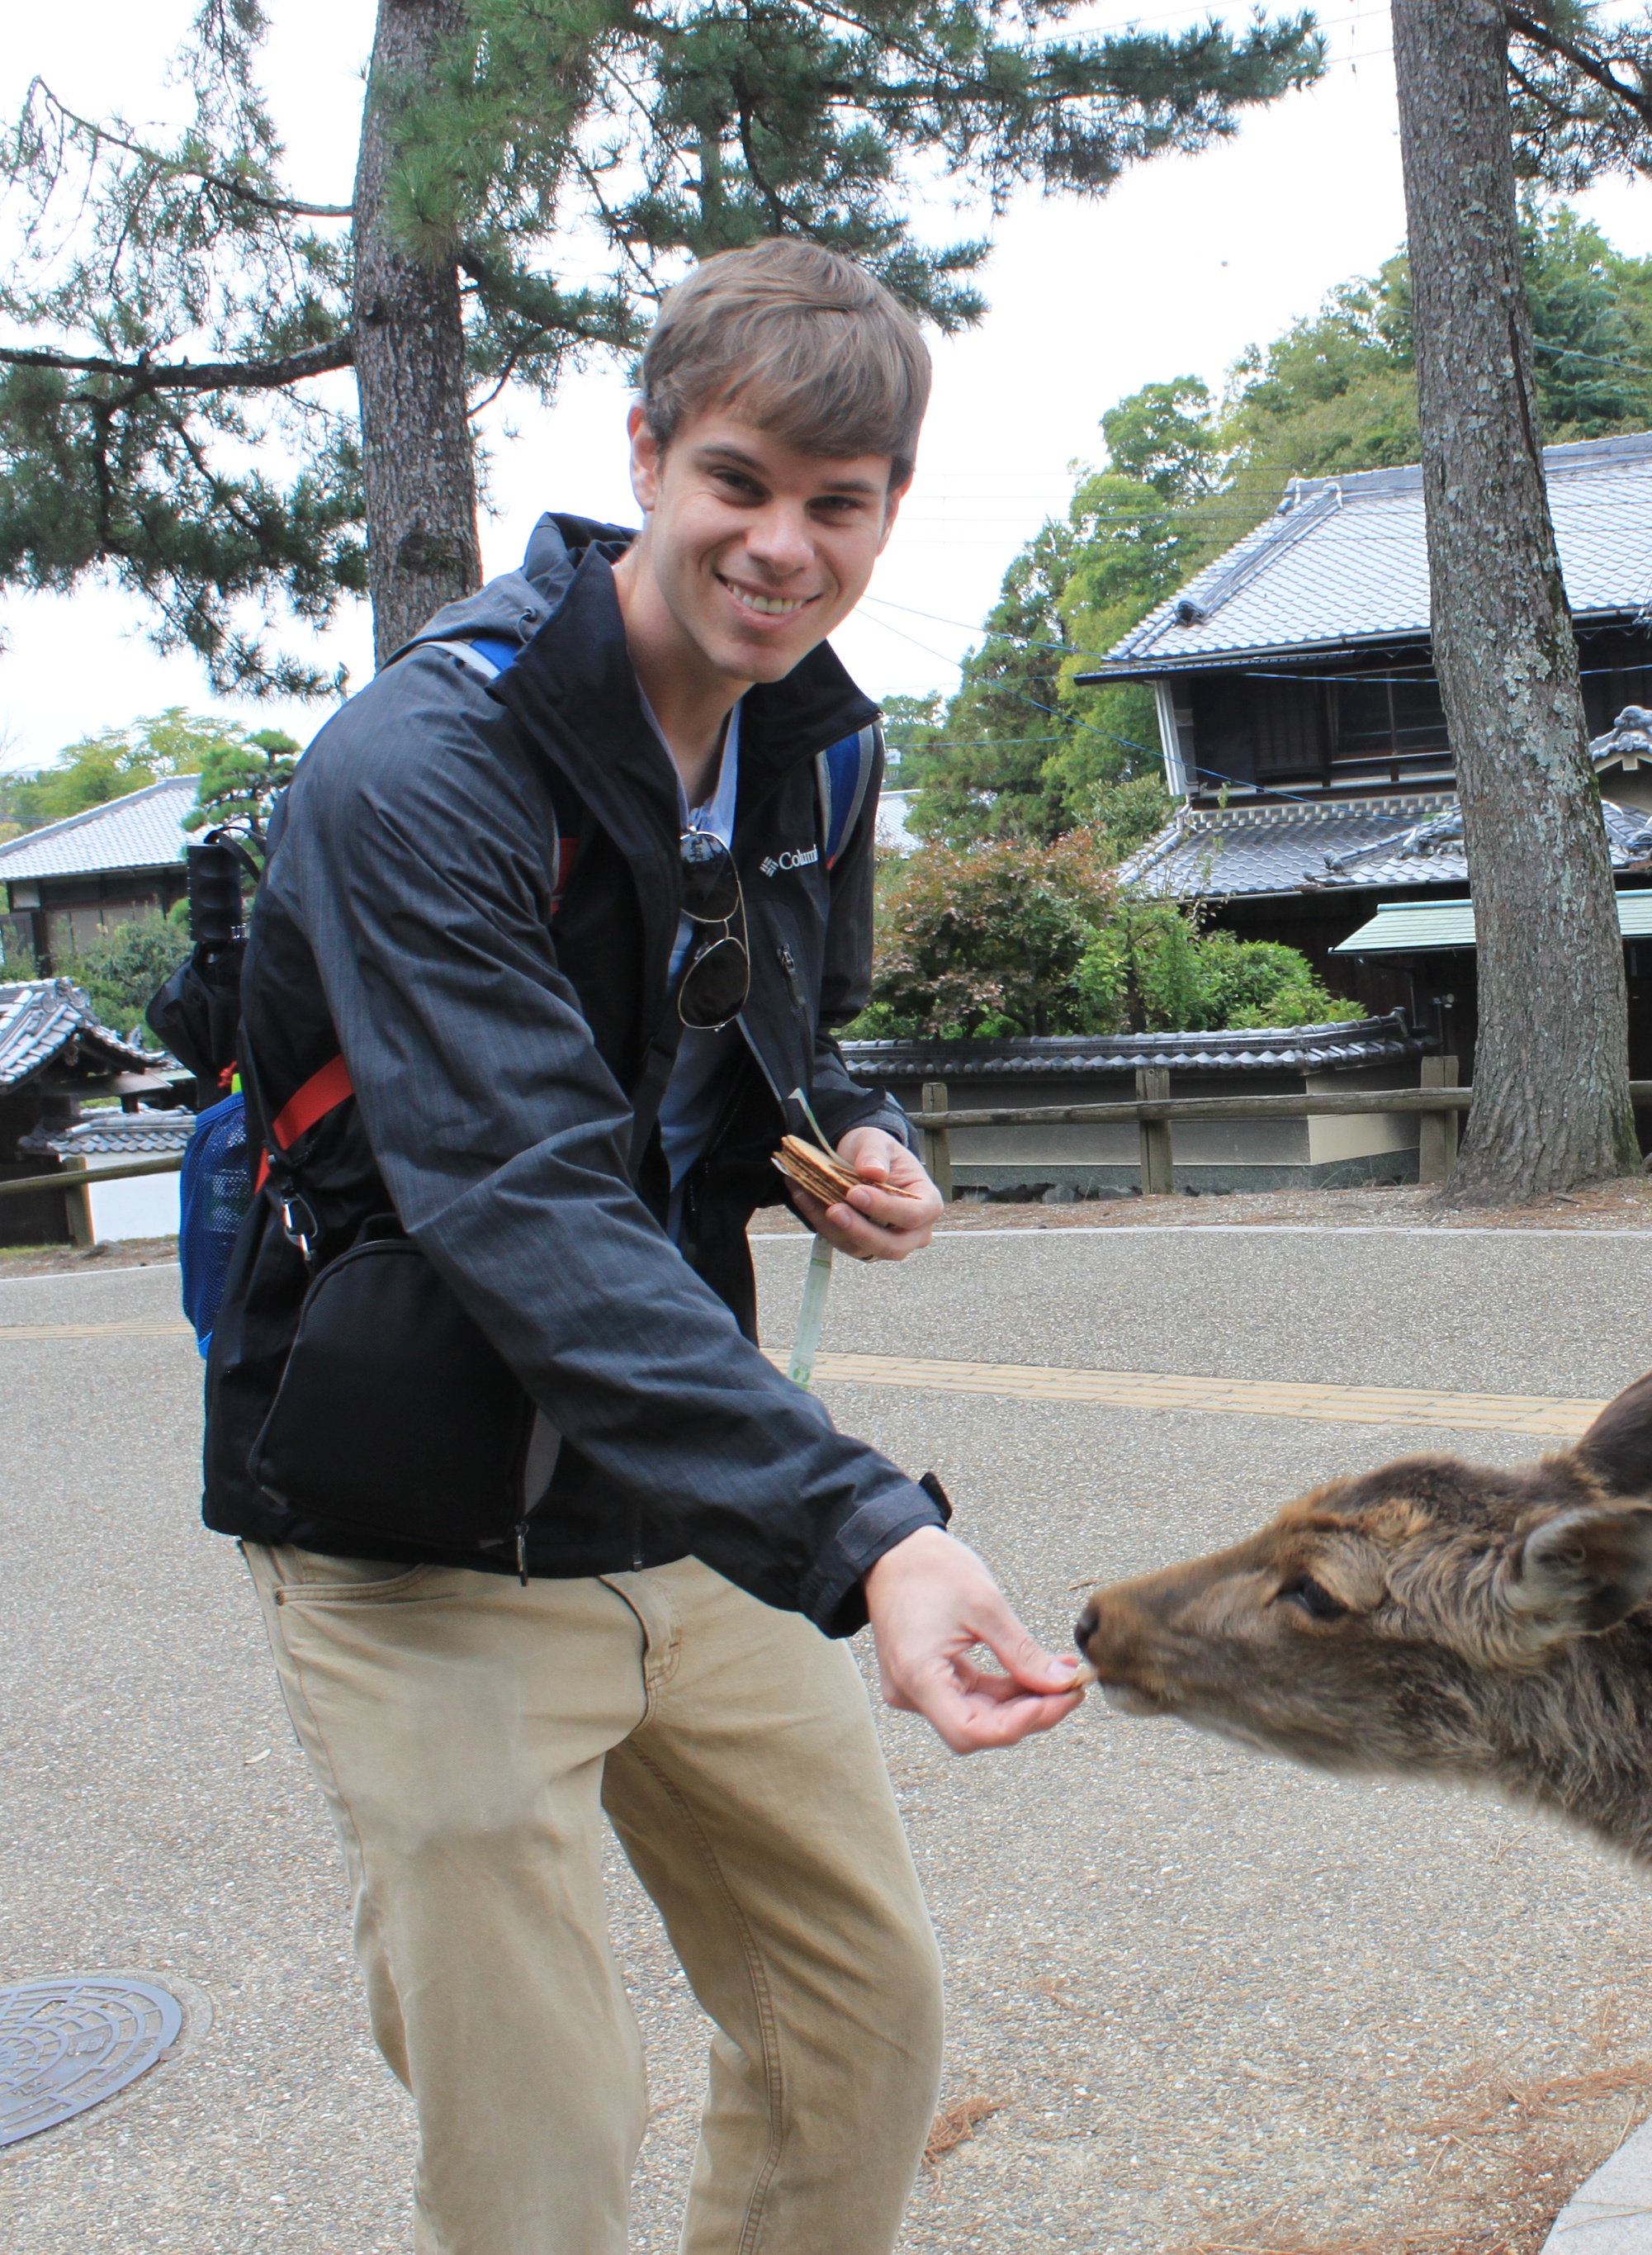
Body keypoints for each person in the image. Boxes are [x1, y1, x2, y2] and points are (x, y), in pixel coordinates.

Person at [201, 240, 1082, 2255]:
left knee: (858, 2019)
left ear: (889, 514)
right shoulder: (424, 768)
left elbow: (787, 1026)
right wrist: (872, 1529)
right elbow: (514, 1199)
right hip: (418, 1534)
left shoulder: (819, 746)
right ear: (647, 453)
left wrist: (856, 1137)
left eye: (835, 506)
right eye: (741, 483)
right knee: (538, 2148)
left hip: (683, 1497)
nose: (782, 547)